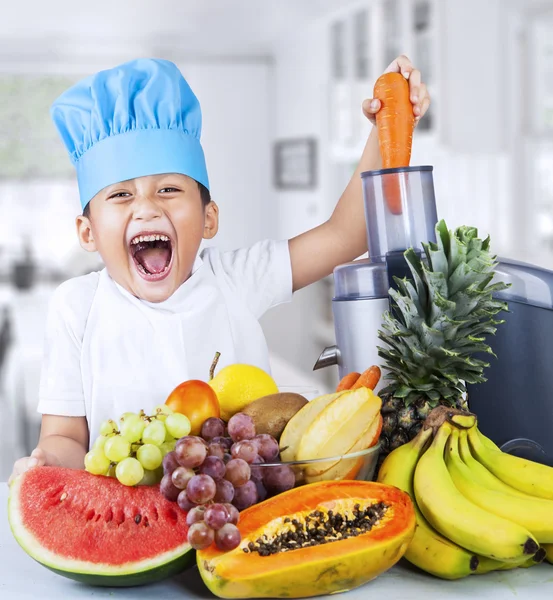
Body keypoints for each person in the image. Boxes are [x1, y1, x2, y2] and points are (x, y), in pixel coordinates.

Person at [8, 55, 429, 484]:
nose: (147, 207)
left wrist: (385, 127)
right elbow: (64, 436)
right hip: (127, 522)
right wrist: (45, 461)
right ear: (87, 231)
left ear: (209, 218)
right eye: (120, 195)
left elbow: (345, 235)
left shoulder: (235, 279)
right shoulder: (76, 306)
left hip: (234, 517)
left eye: (169, 190)